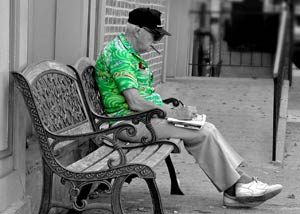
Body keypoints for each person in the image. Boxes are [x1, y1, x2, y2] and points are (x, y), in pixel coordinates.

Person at [94, 7, 282, 208]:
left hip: (144, 119)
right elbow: (135, 102)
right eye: (154, 35)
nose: (157, 41)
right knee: (201, 131)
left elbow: (141, 98)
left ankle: (239, 184)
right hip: (128, 124)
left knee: (204, 127)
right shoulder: (119, 55)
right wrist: (172, 113)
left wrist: (171, 111)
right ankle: (238, 188)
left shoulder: (128, 52)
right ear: (138, 30)